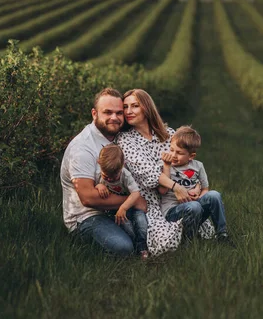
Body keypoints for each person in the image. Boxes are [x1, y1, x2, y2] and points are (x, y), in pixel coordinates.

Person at [116, 89, 216, 256]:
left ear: (147, 108)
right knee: (165, 241)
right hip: (151, 202)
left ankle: (191, 242)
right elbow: (148, 173)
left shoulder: (169, 134)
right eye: (125, 107)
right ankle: (185, 244)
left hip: (179, 196)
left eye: (135, 106)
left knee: (199, 206)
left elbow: (188, 163)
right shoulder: (126, 139)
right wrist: (176, 186)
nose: (128, 111)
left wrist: (197, 185)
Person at [60, 87, 146, 256]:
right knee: (123, 248)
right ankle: (82, 241)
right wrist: (132, 201)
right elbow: (88, 198)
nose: (114, 118)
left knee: (150, 234)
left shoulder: (119, 138)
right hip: (87, 217)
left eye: (119, 113)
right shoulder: (82, 148)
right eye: (107, 112)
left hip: (114, 209)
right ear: (94, 114)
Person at [158, 126, 232, 244]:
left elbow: (205, 189)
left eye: (179, 153)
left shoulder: (198, 166)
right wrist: (166, 166)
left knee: (214, 195)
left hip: (195, 207)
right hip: (172, 211)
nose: (173, 155)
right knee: (194, 206)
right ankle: (189, 241)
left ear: (191, 156)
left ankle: (222, 234)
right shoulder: (166, 166)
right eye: (171, 150)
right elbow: (162, 191)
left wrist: (199, 197)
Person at [95, 144, 149, 259]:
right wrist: (99, 185)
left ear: (122, 166)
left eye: (114, 177)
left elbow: (135, 193)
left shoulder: (125, 175)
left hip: (130, 206)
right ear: (99, 163)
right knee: (127, 226)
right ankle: (135, 248)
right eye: (106, 176)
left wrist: (124, 207)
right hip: (114, 210)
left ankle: (142, 246)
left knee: (141, 222)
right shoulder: (99, 174)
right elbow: (94, 187)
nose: (109, 179)